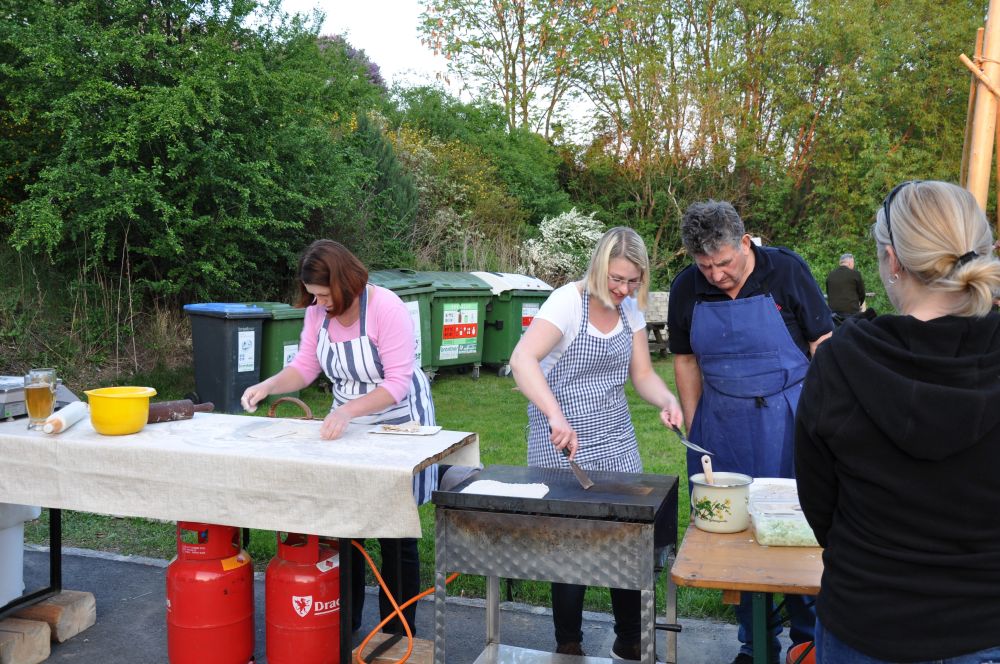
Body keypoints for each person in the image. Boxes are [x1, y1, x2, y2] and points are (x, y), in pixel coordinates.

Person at [795, 180, 1000, 663]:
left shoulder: (841, 360)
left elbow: (819, 504)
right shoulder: (843, 359)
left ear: (891, 260)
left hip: (866, 621)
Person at [241, 239, 435, 636]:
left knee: (395, 533)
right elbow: (305, 366)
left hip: (398, 424)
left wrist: (347, 411)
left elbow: (397, 382)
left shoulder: (386, 308)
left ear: (346, 282)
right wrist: (269, 385)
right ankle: (347, 628)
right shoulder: (318, 313)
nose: (320, 303)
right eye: (314, 295)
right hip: (347, 427)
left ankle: (397, 634)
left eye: (325, 295)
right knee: (347, 527)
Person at [667, 201, 833, 664]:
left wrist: (824, 417)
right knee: (732, 535)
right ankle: (754, 642)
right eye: (705, 266)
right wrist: (696, 424)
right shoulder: (686, 287)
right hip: (723, 425)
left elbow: (822, 343)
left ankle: (808, 641)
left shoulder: (787, 271)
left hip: (791, 419)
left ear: (745, 242)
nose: (716, 275)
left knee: (800, 525)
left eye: (724, 262)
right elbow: (685, 359)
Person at [509, 226, 684, 660]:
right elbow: (522, 359)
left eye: (633, 281)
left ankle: (630, 639)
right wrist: (555, 414)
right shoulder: (567, 302)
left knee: (627, 540)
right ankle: (568, 642)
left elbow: (642, 374)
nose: (624, 289)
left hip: (615, 438)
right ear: (599, 268)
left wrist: (667, 399)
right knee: (570, 545)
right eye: (617, 279)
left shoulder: (631, 309)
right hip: (561, 440)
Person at [825, 252, 866, 323]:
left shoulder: (830, 275)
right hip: (851, 312)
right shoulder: (855, 274)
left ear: (840, 263)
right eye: (853, 263)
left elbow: (828, 292)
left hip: (833, 314)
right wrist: (860, 303)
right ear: (850, 263)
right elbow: (862, 293)